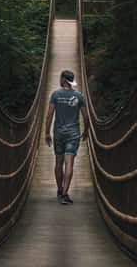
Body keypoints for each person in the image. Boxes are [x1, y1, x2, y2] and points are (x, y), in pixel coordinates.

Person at [45, 70, 89, 205]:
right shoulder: (79, 96)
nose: (59, 80)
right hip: (73, 134)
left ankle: (59, 190)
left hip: (58, 134)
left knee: (58, 162)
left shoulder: (55, 95)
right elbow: (86, 117)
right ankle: (65, 193)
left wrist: (47, 133)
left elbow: (49, 114)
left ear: (64, 80)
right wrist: (86, 131)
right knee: (69, 163)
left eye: (60, 78)